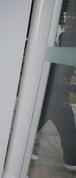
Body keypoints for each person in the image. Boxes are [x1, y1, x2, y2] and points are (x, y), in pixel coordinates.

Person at [37, 17, 76, 172]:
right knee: (69, 131)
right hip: (57, 99)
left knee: (33, 126)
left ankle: (16, 149)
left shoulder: (59, 52)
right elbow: (57, 82)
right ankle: (71, 161)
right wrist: (74, 87)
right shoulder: (67, 56)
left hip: (48, 97)